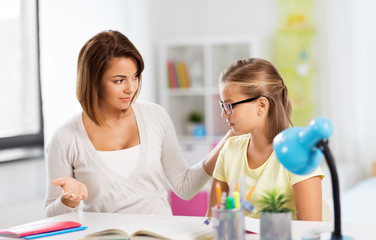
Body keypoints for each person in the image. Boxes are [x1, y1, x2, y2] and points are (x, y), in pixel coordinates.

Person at [44, 30, 232, 217]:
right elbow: (51, 215)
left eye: (135, 76)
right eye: (119, 81)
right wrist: (68, 200)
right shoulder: (66, 137)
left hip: (160, 235)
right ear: (93, 81)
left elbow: (185, 186)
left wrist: (227, 140)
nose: (131, 88)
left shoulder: (155, 117)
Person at [207, 58, 324, 221]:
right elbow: (213, 220)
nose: (223, 114)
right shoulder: (229, 150)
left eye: (229, 106)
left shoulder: (299, 156)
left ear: (261, 105)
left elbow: (310, 232)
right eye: (222, 106)